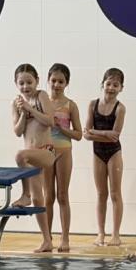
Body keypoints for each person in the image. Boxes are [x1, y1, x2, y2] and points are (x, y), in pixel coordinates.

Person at [12, 63, 56, 253]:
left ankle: (25, 194)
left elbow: (50, 121)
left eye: (29, 82)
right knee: (40, 199)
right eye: (21, 83)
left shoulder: (41, 96)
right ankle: (47, 241)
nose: (25, 86)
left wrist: (31, 109)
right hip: (30, 158)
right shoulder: (16, 103)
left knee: (19, 155)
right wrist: (23, 113)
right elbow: (17, 131)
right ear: (16, 84)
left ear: (37, 81)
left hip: (46, 151)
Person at [83, 67, 126, 247]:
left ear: (121, 88)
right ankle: (100, 233)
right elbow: (86, 135)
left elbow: (115, 136)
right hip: (98, 153)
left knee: (115, 194)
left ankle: (115, 234)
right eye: (108, 84)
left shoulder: (120, 108)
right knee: (101, 194)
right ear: (103, 84)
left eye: (115, 85)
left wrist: (95, 132)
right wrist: (105, 133)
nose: (111, 88)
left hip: (114, 153)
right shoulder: (92, 105)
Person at [46, 63, 82, 253]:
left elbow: (78, 134)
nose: (57, 85)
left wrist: (61, 127)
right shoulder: (42, 102)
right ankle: (47, 238)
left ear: (67, 83)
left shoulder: (70, 105)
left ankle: (65, 238)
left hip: (64, 151)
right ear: (48, 80)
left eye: (61, 81)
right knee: (48, 196)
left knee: (62, 195)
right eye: (54, 80)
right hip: (46, 152)